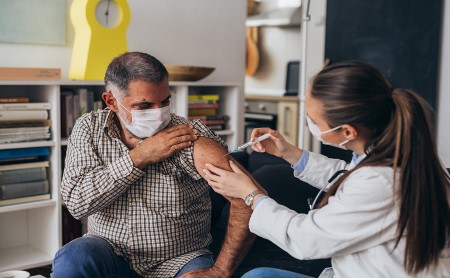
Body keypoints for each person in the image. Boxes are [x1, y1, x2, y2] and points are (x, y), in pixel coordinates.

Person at [203, 61, 450, 277]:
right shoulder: (392, 154)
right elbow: (346, 174)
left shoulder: (380, 181)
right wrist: (288, 152)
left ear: (347, 131)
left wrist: (251, 195)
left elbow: (305, 239)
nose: (309, 123)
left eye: (313, 119)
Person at [52, 52, 263, 278]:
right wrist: (140, 157)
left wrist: (221, 271)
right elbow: (76, 204)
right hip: (110, 251)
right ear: (111, 102)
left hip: (180, 260)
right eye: (144, 106)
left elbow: (248, 198)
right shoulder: (89, 129)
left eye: (164, 102)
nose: (159, 114)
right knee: (73, 258)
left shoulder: (189, 136)